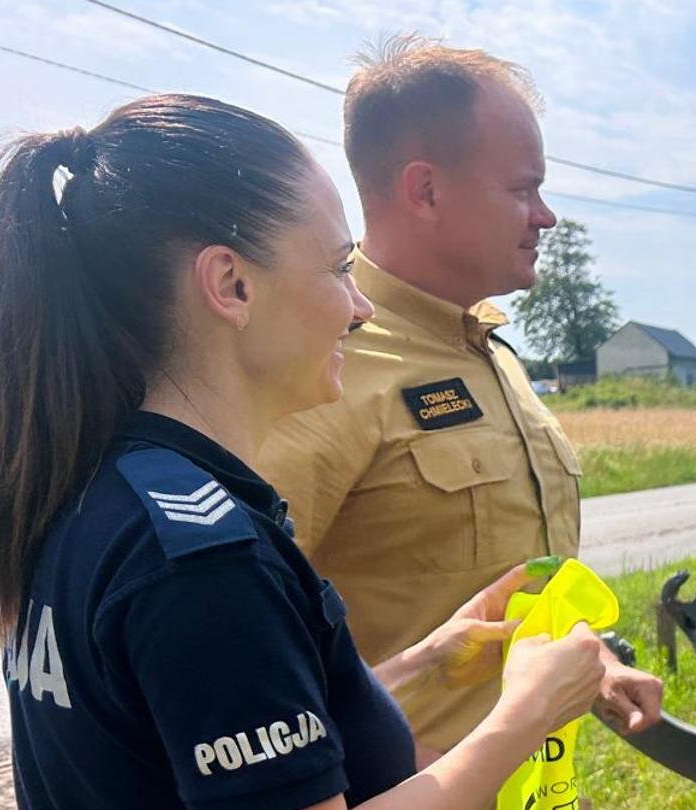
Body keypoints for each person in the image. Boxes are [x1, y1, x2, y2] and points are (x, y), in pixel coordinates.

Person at [0, 94, 607, 810]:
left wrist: (424, 664)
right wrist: (526, 715)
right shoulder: (202, 562)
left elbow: (228, 728)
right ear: (231, 286)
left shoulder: (95, 492)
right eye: (338, 268)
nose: (360, 307)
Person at [254, 36, 660, 753]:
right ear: (426, 191)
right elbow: (237, 650)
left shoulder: (493, 355)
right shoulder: (321, 366)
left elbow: (503, 584)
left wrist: (592, 664)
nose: (545, 216)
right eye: (523, 189)